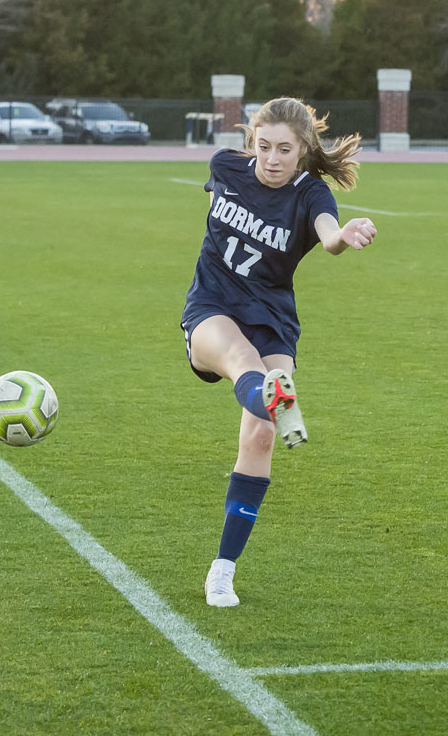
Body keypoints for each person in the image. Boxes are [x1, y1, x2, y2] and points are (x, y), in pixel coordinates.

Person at [181, 97, 377, 607]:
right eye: (263, 146)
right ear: (252, 142)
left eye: (283, 150)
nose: (270, 158)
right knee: (244, 364)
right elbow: (216, 218)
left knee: (263, 436)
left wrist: (344, 236)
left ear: (303, 150)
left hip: (271, 316)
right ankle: (274, 394)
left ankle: (222, 571)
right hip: (213, 305)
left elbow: (328, 236)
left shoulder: (310, 193)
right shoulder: (225, 166)